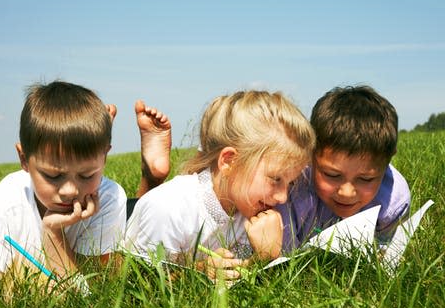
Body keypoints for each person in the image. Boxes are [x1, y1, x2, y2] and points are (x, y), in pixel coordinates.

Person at [0, 80, 129, 294]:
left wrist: (54, 233)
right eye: (53, 176)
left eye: (87, 174)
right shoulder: (2, 202)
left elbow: (95, 294)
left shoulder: (109, 198)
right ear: (24, 159)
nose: (70, 190)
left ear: (105, 158)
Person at [123, 90, 316, 280]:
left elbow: (239, 273)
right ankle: (151, 174)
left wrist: (264, 257)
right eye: (275, 179)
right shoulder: (168, 209)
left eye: (290, 183)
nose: (283, 197)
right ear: (229, 161)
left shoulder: (249, 210)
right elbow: (142, 283)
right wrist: (197, 272)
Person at [277, 85, 411, 252]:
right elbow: (284, 258)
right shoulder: (292, 192)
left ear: (388, 160)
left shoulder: (393, 201)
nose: (347, 193)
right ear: (310, 153)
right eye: (332, 175)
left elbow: (388, 251)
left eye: (366, 179)